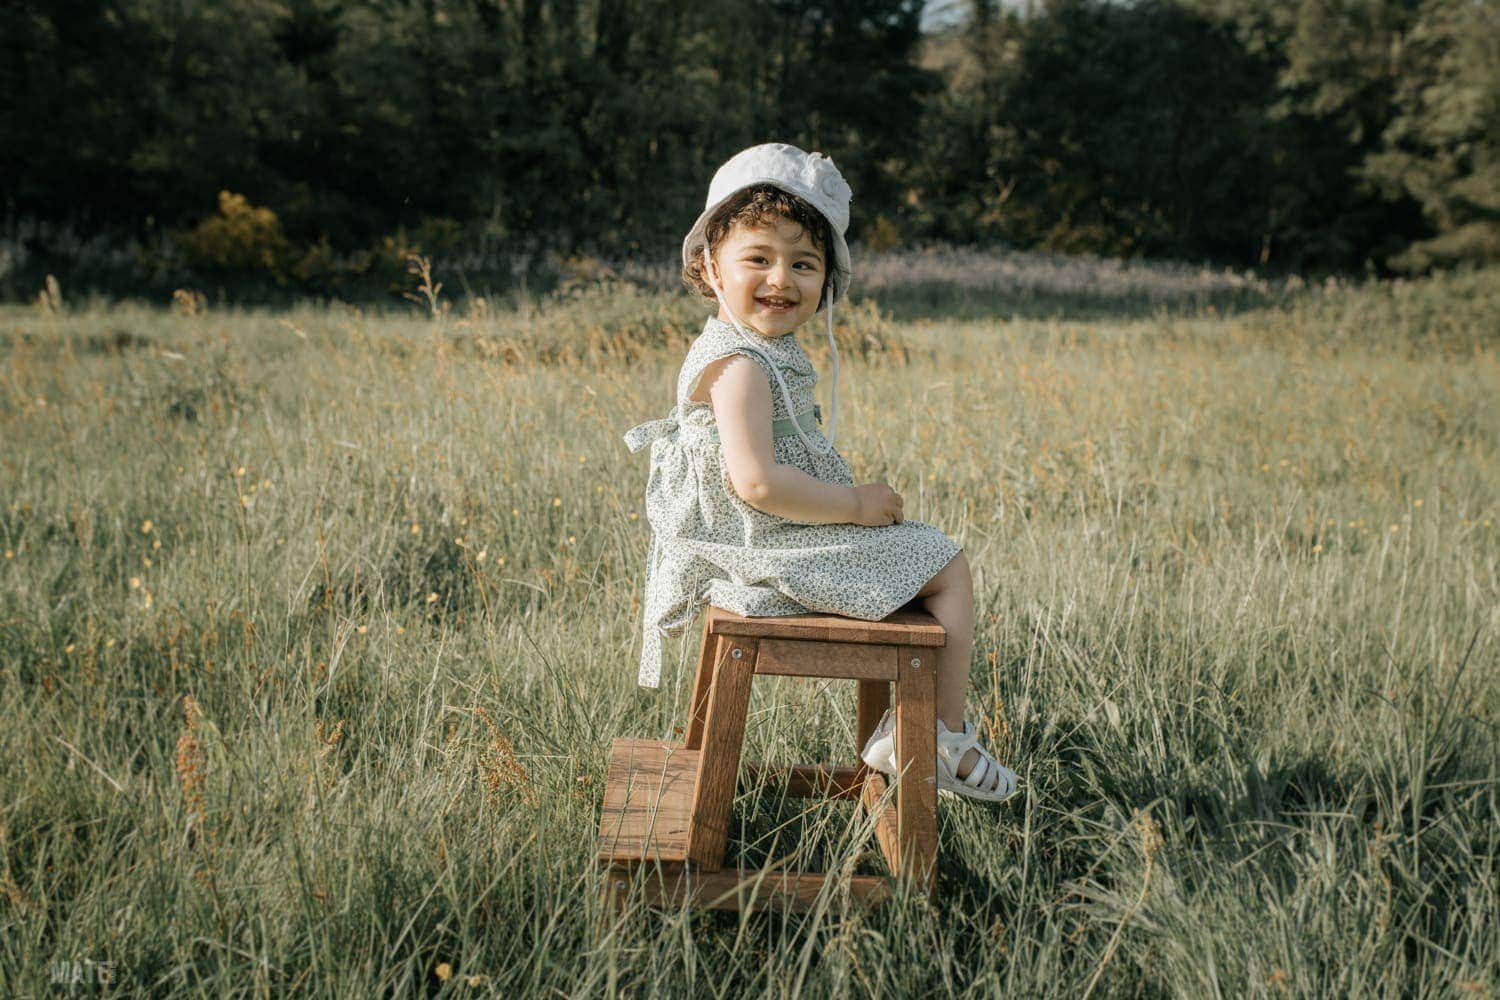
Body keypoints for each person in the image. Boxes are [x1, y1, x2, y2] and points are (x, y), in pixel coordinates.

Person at [623, 143, 1017, 803]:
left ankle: (913, 730)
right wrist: (855, 505)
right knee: (945, 566)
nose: (782, 279)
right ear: (708, 264)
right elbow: (757, 484)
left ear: (827, 281)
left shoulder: (759, 348)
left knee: (918, 558)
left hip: (771, 538)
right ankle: (940, 736)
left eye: (804, 264)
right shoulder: (742, 364)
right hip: (765, 548)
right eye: (759, 258)